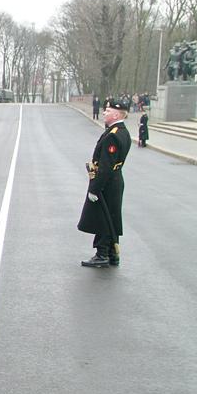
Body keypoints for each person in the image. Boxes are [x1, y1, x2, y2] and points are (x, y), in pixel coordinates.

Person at [78, 100, 132, 268]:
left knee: (103, 218)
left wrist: (95, 188)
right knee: (111, 217)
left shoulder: (113, 135)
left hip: (107, 183)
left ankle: (102, 254)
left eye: (107, 111)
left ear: (116, 114)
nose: (104, 113)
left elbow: (106, 166)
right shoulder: (120, 131)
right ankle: (111, 253)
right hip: (114, 180)